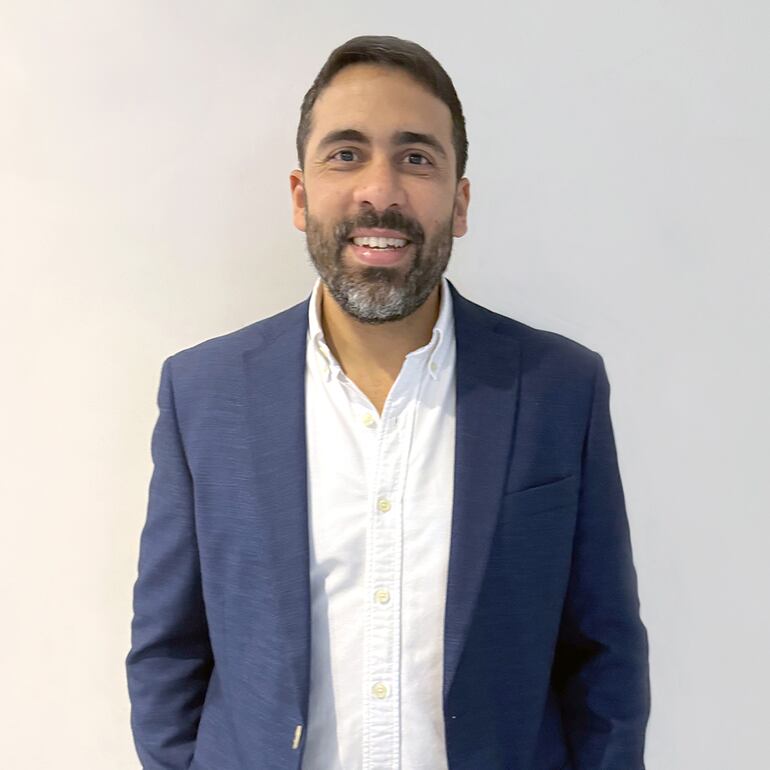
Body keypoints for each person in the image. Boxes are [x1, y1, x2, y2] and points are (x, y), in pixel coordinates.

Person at [125, 34, 650, 770]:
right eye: (346, 154)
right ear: (300, 197)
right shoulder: (204, 393)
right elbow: (168, 653)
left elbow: (604, 659)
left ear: (459, 202)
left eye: (417, 158)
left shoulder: (559, 389)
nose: (381, 191)